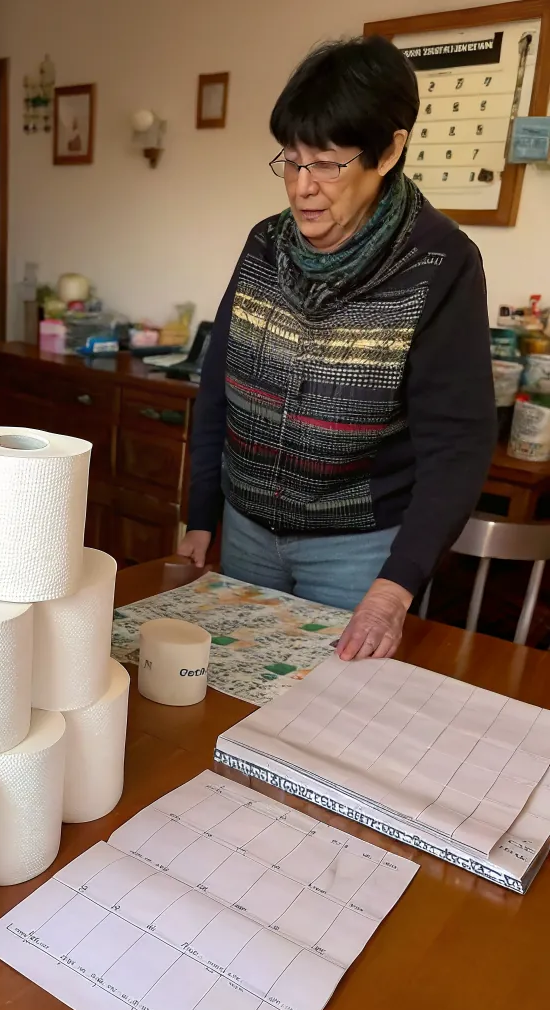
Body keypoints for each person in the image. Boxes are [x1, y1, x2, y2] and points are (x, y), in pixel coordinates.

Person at [178, 37, 495, 662]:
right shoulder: (265, 244)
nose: (302, 187)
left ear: (390, 150)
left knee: (322, 716)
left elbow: (458, 444)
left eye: (326, 164)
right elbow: (218, 388)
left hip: (356, 552)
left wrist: (395, 587)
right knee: (234, 694)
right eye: (291, 161)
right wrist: (200, 516)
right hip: (245, 529)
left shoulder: (440, 263)